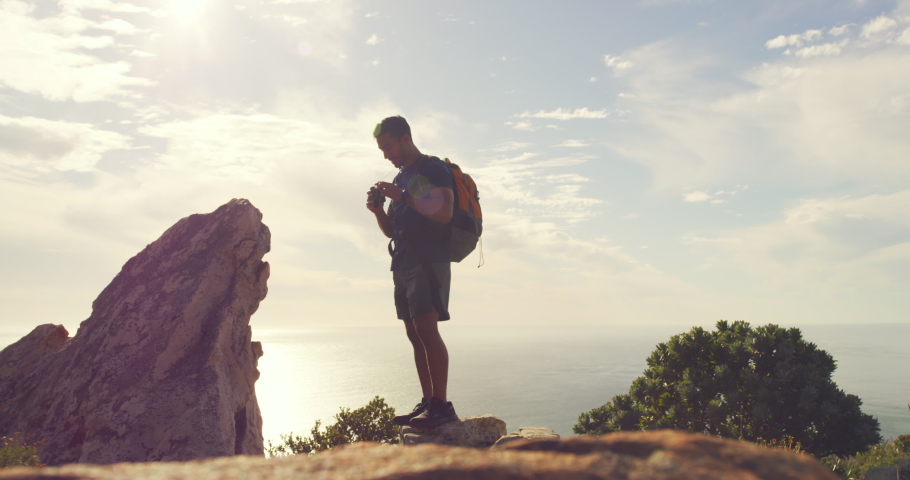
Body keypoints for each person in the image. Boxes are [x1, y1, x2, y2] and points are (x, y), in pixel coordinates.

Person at [366, 115, 459, 428]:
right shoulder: (403, 177)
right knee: (414, 332)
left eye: (388, 146)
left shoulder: (432, 168)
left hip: (427, 260)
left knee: (426, 329)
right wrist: (379, 210)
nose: (385, 154)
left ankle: (441, 406)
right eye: (381, 149)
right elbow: (393, 229)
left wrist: (401, 196)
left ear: (405, 138)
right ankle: (429, 400)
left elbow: (444, 212)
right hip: (403, 261)